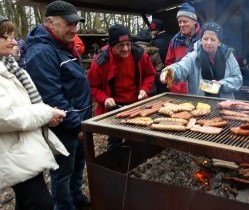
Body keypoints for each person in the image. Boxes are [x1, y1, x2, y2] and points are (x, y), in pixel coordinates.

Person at [23, 1, 92, 210]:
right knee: (63, 171)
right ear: (50, 23)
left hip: (79, 121)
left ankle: (75, 196)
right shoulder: (42, 52)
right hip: (64, 126)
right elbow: (51, 95)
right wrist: (76, 124)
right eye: (69, 23)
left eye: (76, 23)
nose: (74, 28)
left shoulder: (64, 46)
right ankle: (63, 205)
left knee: (78, 164)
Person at [0, 16, 68, 210]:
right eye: (5, 36)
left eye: (12, 35)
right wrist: (46, 113)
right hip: (12, 151)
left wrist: (46, 118)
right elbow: (5, 117)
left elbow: (25, 104)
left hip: (22, 147)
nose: (13, 41)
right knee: (40, 205)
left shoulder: (11, 67)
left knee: (28, 202)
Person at [87, 24, 156, 149]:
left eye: (128, 44)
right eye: (120, 45)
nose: (125, 49)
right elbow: (92, 86)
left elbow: (150, 74)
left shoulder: (139, 54)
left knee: (137, 138)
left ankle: (136, 164)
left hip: (136, 103)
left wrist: (144, 89)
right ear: (112, 46)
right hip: (115, 107)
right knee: (115, 140)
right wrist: (104, 99)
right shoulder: (101, 61)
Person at [160, 22, 242, 99]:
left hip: (225, 105)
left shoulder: (228, 56)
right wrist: (169, 72)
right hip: (199, 106)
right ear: (201, 40)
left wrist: (221, 85)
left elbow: (238, 79)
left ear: (219, 42)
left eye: (213, 39)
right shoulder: (193, 57)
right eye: (205, 39)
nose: (208, 43)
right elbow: (180, 67)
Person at [165, 2, 201, 94]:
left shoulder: (204, 39)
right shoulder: (174, 41)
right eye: (179, 22)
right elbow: (169, 63)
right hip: (178, 91)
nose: (181, 24)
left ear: (194, 21)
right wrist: (172, 84)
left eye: (185, 21)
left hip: (198, 90)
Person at [135, 29, 164, 95]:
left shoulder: (131, 52)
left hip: (135, 90)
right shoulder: (154, 52)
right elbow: (159, 71)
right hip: (150, 89)